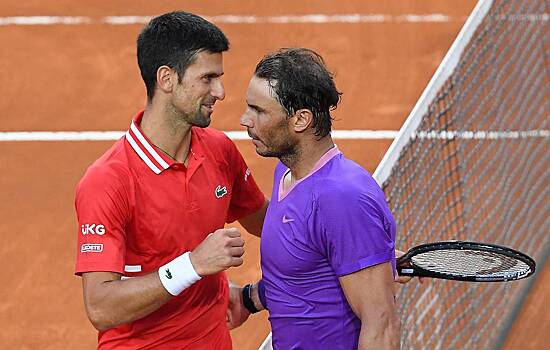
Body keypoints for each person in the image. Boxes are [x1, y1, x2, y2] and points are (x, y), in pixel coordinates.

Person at [74, 11, 268, 349]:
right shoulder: (108, 181)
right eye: (208, 78)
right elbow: (101, 307)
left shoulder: (220, 151)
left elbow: (270, 222)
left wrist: (366, 247)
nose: (220, 92)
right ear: (167, 79)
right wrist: (192, 265)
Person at [238, 48, 401, 349]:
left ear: (300, 120)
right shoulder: (285, 175)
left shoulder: (341, 198)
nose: (244, 119)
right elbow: (302, 274)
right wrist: (249, 300)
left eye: (259, 110)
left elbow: (381, 323)